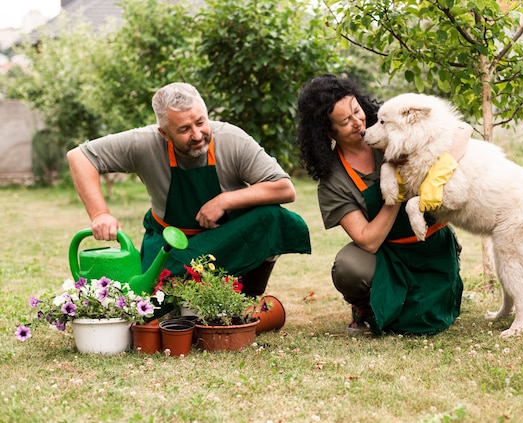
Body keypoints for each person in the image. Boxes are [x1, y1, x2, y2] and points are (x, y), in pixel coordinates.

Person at [67, 82, 311, 297]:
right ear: (163, 132)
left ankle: (248, 292)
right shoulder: (143, 143)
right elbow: (79, 156)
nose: (197, 135)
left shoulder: (232, 139)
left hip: (223, 240)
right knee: (152, 307)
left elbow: (284, 188)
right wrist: (100, 214)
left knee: (272, 217)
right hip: (170, 246)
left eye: (201, 122)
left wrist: (225, 200)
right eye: (184, 129)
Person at [296, 74, 472, 335]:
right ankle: (366, 308)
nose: (358, 122)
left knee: (425, 321)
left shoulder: (391, 129)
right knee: (348, 266)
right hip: (385, 254)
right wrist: (395, 195)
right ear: (327, 131)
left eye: (357, 111)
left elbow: (463, 130)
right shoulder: (334, 180)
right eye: (345, 121)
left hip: (429, 246)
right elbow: (368, 241)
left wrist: (439, 173)